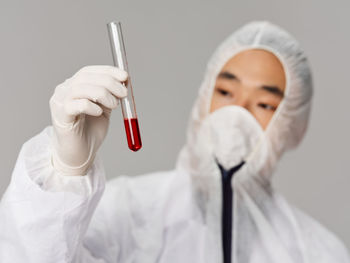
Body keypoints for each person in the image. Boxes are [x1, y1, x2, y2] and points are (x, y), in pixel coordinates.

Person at [0, 21, 349, 263]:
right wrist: (65, 171)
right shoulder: (128, 214)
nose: (236, 114)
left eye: (263, 104)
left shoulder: (316, 252)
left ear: (293, 123)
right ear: (203, 99)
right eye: (225, 92)